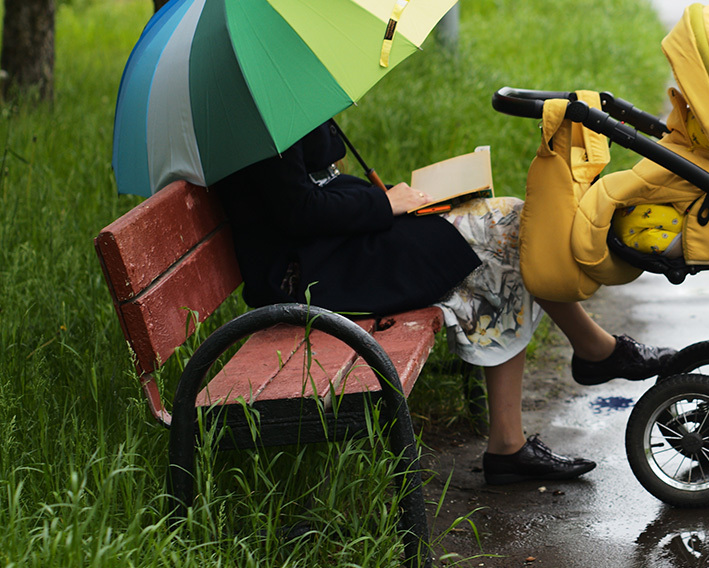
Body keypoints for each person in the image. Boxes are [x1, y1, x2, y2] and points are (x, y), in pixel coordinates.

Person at [212, 119, 677, 485]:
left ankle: (515, 440)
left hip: (334, 249)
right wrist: (385, 205)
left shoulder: (279, 94)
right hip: (313, 275)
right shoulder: (254, 115)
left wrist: (391, 198)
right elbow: (298, 211)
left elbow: (314, 182)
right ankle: (592, 355)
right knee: (507, 231)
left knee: (503, 234)